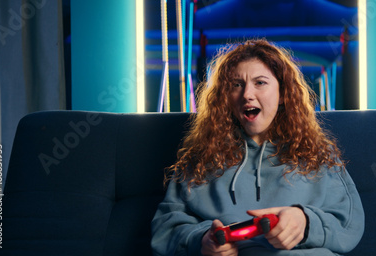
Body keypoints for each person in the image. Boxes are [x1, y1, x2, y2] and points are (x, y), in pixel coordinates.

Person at [151, 39, 364, 256]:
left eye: (260, 83)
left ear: (282, 94)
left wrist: (306, 222)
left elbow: (348, 225)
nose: (247, 94)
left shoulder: (318, 155)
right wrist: (202, 240)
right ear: (225, 98)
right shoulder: (199, 158)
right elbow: (166, 229)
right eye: (236, 85)